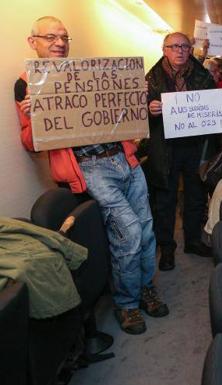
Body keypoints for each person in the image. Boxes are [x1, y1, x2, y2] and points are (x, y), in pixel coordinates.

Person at [15, 16, 168, 334]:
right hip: (92, 168)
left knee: (147, 229)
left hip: (124, 159)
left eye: (64, 37)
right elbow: (31, 143)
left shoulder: (89, 73)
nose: (59, 42)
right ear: (34, 42)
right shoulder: (27, 84)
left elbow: (122, 118)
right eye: (51, 37)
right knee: (128, 233)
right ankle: (127, 303)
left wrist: (132, 96)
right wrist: (36, 118)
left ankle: (144, 288)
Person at [146, 32, 222, 270]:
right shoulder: (150, 78)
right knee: (166, 198)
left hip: (195, 145)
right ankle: (166, 247)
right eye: (174, 46)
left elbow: (212, 100)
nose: (180, 51)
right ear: (164, 49)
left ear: (190, 49)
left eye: (185, 46)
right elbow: (136, 114)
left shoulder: (201, 74)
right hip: (166, 148)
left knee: (195, 194)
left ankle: (193, 240)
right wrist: (148, 109)